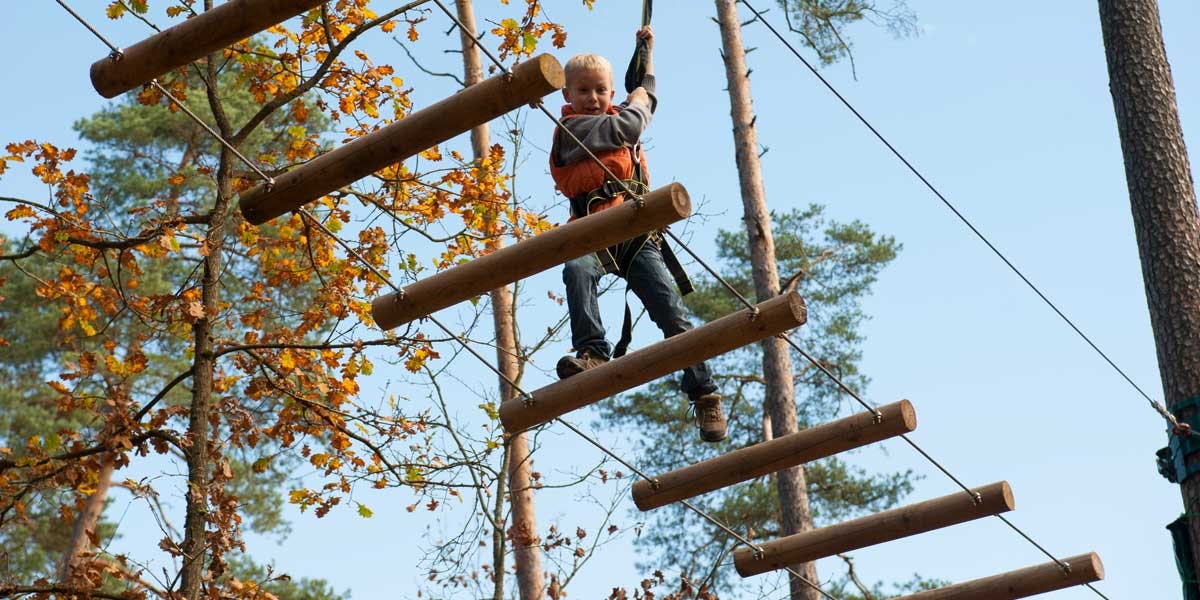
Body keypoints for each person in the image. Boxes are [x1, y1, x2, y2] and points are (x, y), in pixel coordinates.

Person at [549, 26, 727, 443]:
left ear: (611, 93)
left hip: (634, 232)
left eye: (601, 91)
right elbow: (631, 124)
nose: (593, 99)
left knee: (671, 311)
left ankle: (704, 393)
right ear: (568, 97)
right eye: (583, 91)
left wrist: (645, 56)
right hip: (591, 232)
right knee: (576, 269)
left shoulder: (616, 113)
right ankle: (592, 350)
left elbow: (642, 99)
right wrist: (641, 99)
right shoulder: (573, 131)